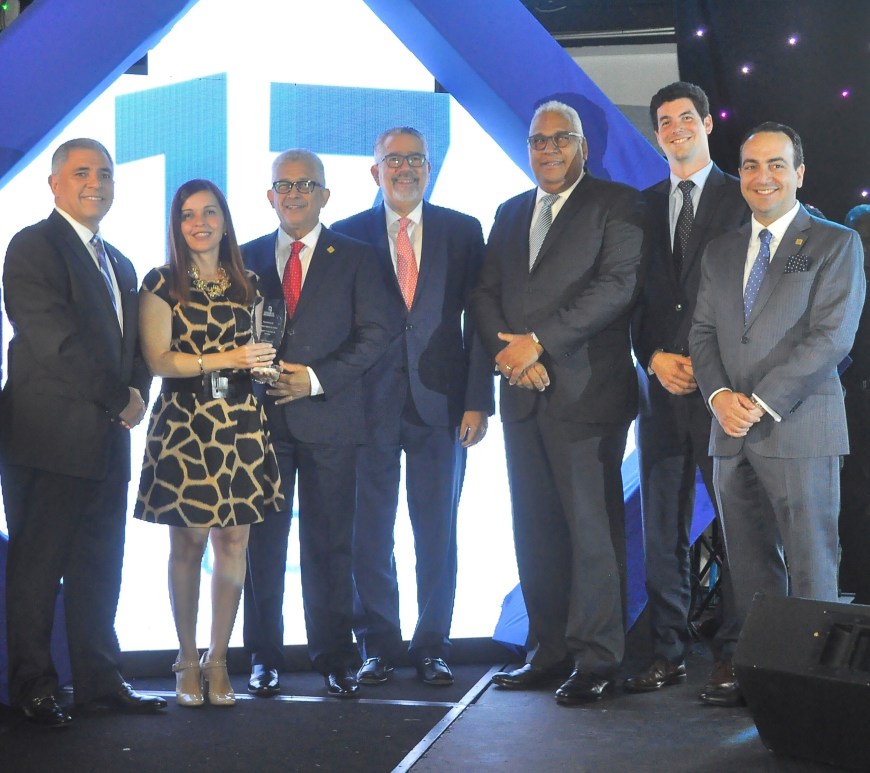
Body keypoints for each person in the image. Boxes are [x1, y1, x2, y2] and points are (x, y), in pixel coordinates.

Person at [471, 101, 645, 705]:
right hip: (522, 393)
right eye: (538, 141)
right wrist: (512, 358)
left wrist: (539, 343)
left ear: (583, 147)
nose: (548, 150)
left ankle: (597, 659)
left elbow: (617, 288)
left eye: (560, 139)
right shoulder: (510, 211)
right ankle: (547, 651)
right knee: (536, 529)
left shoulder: (617, 204)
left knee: (592, 535)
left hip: (587, 396)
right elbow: (485, 293)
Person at [689, 122, 865, 706]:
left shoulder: (836, 243)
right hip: (729, 430)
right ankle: (763, 682)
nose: (762, 177)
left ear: (799, 173)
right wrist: (719, 397)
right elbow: (703, 333)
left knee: (812, 569)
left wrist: (759, 402)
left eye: (776, 164)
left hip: (799, 425)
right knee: (749, 570)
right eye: (750, 165)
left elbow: (832, 337)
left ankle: (817, 696)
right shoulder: (720, 250)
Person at [0, 138, 166, 727]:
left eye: (104, 173)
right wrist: (119, 398)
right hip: (47, 440)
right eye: (81, 172)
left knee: (101, 568)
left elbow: (134, 348)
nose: (95, 182)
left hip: (106, 441)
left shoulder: (119, 261)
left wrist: (136, 394)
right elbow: (54, 342)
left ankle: (99, 681)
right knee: (38, 571)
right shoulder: (32, 246)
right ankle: (35, 687)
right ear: (54, 184)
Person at [330, 127, 493, 687]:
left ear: (429, 168)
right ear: (374, 170)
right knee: (368, 533)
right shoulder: (345, 234)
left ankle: (432, 646)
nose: (405, 168)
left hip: (443, 407)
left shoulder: (463, 230)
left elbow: (480, 324)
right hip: (365, 408)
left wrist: (477, 400)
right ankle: (378, 645)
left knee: (437, 532)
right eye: (393, 159)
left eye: (415, 159)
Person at [242, 149, 394, 698]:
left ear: (325, 195)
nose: (294, 193)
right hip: (259, 423)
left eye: (306, 184)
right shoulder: (245, 258)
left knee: (330, 545)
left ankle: (335, 656)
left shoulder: (356, 256)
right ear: (270, 196)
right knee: (262, 547)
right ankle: (263, 656)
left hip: (332, 419)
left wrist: (315, 379)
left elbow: (377, 333)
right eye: (284, 185)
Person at [134, 179, 284, 707]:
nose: (199, 223)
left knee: (234, 543)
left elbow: (260, 352)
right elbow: (158, 361)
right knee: (189, 542)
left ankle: (218, 659)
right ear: (177, 225)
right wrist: (229, 358)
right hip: (185, 423)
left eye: (209, 212)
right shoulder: (160, 282)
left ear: (225, 220)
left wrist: (265, 370)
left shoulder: (250, 283)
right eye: (188, 214)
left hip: (241, 420)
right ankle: (185, 656)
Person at [627, 82, 747, 702]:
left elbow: (754, 294)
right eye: (665, 122)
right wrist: (651, 356)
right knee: (661, 529)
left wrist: (708, 365)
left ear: (707, 123)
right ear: (656, 135)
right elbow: (631, 297)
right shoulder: (640, 206)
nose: (676, 129)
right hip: (660, 393)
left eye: (685, 118)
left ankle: (735, 655)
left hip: (722, 392)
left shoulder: (742, 196)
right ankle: (667, 652)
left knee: (736, 528)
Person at [838, 204, 870, 605]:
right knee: (854, 499)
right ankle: (859, 590)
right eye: (862, 238)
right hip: (847, 406)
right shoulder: (839, 284)